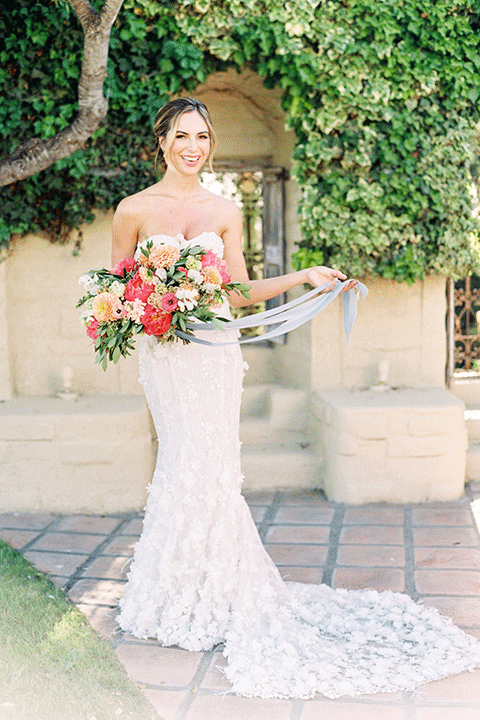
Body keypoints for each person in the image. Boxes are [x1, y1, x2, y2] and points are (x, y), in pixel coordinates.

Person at [113, 97, 480, 699]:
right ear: (162, 141)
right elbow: (119, 287)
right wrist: (131, 315)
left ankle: (217, 595)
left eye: (202, 136)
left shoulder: (225, 209)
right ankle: (172, 594)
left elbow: (241, 289)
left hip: (212, 354)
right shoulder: (133, 209)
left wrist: (305, 276)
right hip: (166, 359)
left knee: (213, 469)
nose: (193, 146)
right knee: (180, 465)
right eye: (182, 135)